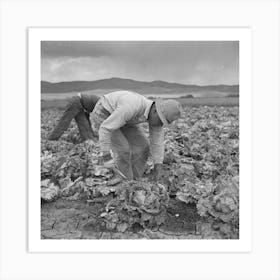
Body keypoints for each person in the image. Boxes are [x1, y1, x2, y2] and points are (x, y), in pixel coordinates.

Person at [90, 90, 182, 181]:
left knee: (143, 146)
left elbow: (157, 142)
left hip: (126, 118)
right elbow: (105, 128)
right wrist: (106, 156)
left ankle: (135, 179)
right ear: (155, 111)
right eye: (161, 121)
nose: (160, 125)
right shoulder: (131, 107)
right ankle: (124, 183)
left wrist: (158, 166)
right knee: (123, 149)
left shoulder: (154, 117)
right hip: (104, 113)